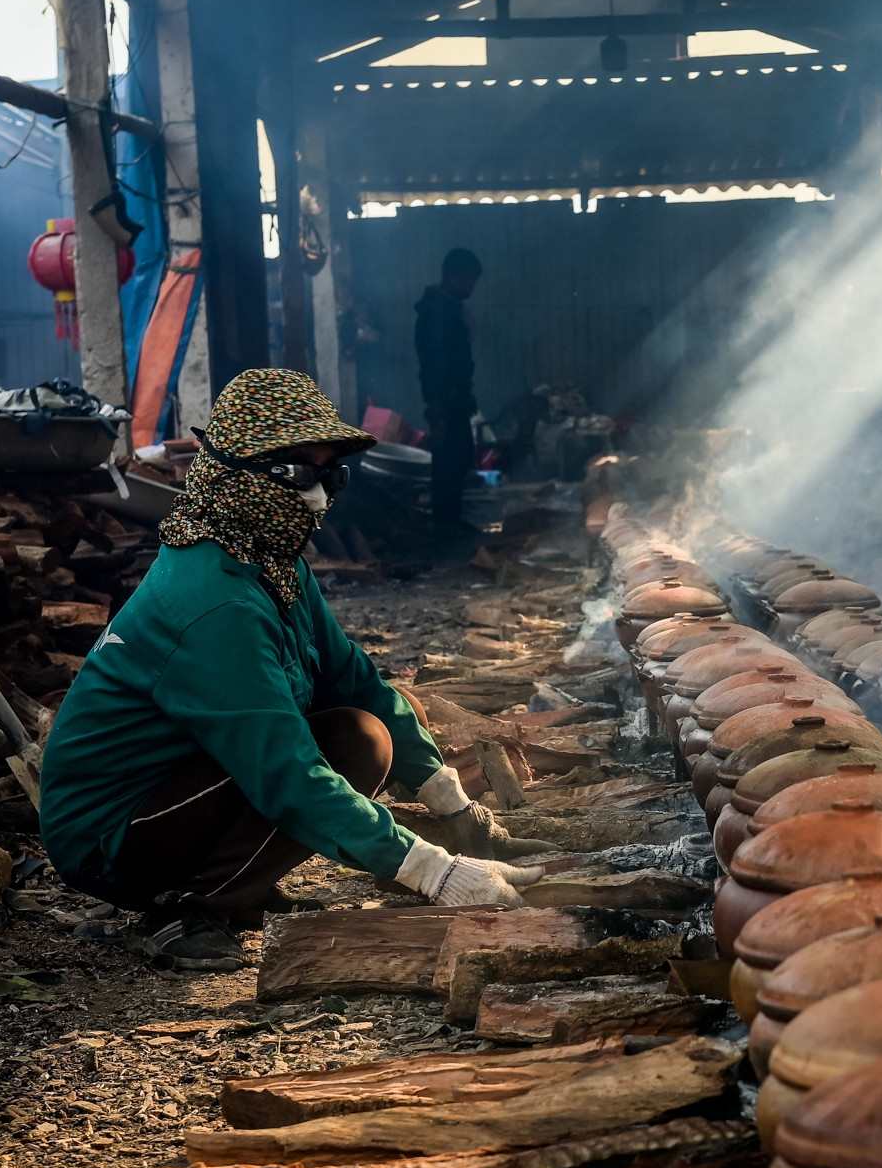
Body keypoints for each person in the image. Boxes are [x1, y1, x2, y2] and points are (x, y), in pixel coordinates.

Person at [39, 369, 546, 972]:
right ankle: (184, 907)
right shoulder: (213, 602)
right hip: (112, 832)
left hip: (184, 786)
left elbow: (355, 680)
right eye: (298, 474)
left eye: (330, 475)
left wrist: (459, 814)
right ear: (235, 475)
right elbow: (285, 771)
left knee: (359, 735)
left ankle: (234, 882)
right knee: (315, 762)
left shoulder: (269, 565)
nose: (318, 497)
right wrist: (435, 874)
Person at [415, 248, 483, 533]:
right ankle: (444, 524)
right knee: (448, 459)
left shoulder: (449, 309)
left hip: (456, 399)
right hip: (445, 400)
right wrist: (438, 409)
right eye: (469, 280)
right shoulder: (436, 313)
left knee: (459, 456)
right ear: (455, 276)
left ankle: (450, 519)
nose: (471, 288)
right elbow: (434, 364)